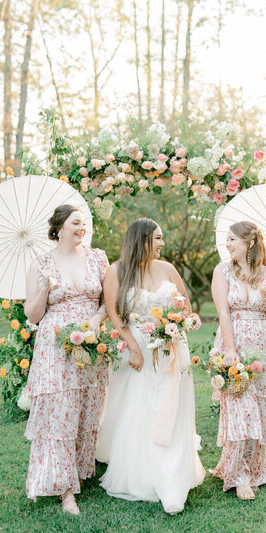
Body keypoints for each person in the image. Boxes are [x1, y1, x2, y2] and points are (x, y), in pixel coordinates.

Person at [96, 218, 205, 515]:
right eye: (157, 238)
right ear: (141, 239)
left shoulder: (168, 269)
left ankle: (172, 477)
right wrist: (134, 349)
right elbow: (117, 317)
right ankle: (144, 473)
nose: (162, 244)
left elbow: (186, 307)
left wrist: (177, 323)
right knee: (142, 410)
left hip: (171, 348)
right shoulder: (117, 271)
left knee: (174, 407)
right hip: (138, 348)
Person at [24, 204, 109, 515]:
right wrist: (45, 285)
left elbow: (106, 302)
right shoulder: (41, 264)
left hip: (91, 343)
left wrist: (97, 322)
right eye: (76, 222)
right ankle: (64, 489)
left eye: (84, 222)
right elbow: (33, 315)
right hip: (55, 345)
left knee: (87, 408)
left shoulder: (98, 258)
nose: (81, 227)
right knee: (60, 412)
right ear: (59, 228)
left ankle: (78, 472)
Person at [209, 220, 266, 500]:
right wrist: (230, 350)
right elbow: (222, 312)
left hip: (264, 347)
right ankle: (239, 475)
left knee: (263, 409)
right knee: (239, 408)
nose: (228, 244)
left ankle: (257, 468)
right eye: (227, 240)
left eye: (233, 240)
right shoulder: (222, 271)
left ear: (250, 243)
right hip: (234, 343)